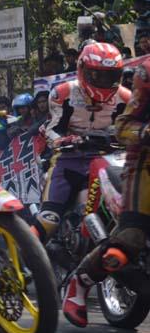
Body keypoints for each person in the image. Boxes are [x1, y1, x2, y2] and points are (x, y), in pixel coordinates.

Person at [62, 58, 150, 328]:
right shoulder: (147, 72)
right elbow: (123, 126)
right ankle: (80, 283)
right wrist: (146, 131)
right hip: (144, 164)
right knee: (131, 237)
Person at [31, 42, 131, 242]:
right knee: (49, 220)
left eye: (110, 76)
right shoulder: (63, 93)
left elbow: (130, 128)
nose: (103, 81)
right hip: (69, 161)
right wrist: (65, 140)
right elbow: (52, 129)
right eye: (97, 75)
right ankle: (24, 263)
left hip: (109, 160)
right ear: (82, 69)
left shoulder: (125, 97)